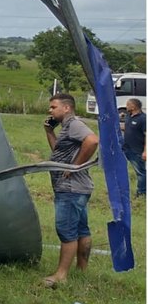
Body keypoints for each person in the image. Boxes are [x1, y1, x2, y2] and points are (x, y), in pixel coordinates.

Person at [42, 92, 99, 288]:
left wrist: (75, 166)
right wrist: (49, 131)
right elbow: (60, 150)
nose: (50, 110)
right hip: (79, 188)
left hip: (71, 189)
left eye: (53, 107)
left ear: (66, 107)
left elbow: (92, 141)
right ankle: (81, 271)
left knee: (66, 231)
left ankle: (61, 275)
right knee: (82, 230)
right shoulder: (67, 127)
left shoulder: (74, 124)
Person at [123, 98, 146, 198]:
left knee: (140, 172)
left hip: (137, 150)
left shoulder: (143, 119)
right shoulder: (129, 116)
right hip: (125, 148)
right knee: (122, 169)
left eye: (128, 105)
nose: (126, 106)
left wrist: (145, 151)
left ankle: (141, 192)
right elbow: (126, 128)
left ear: (133, 106)